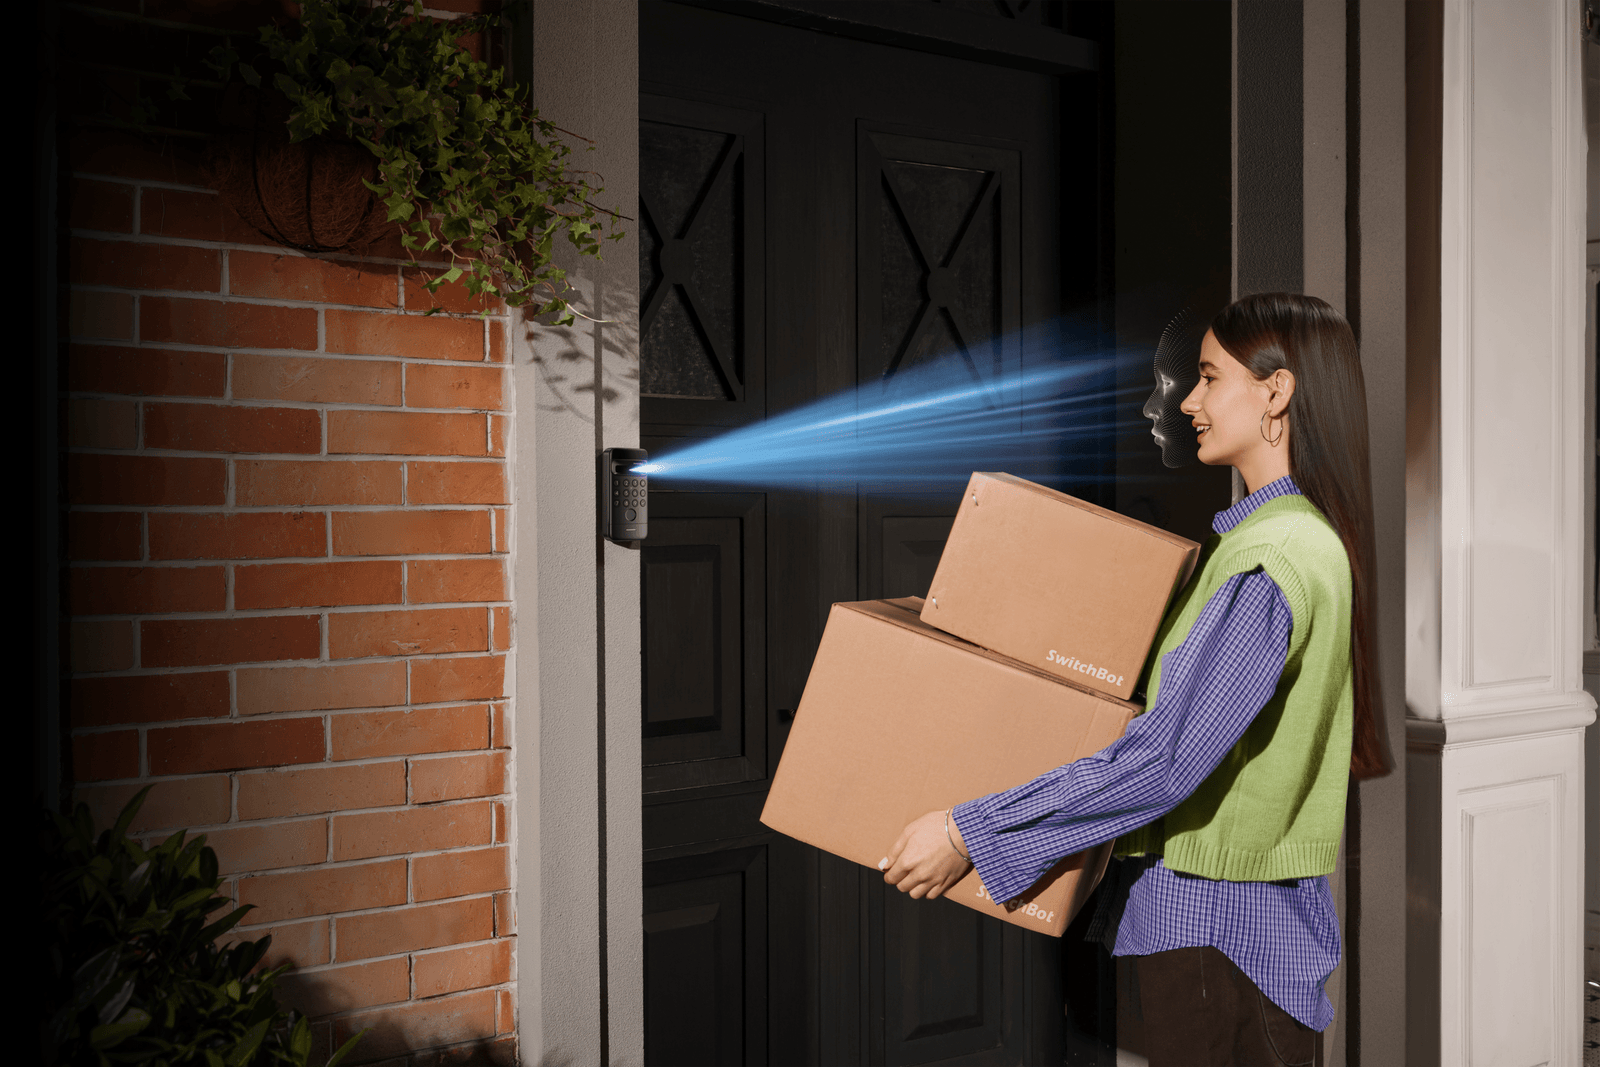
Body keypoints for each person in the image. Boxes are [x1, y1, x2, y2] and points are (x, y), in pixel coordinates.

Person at [880, 293, 1393, 1067]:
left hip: (1221, 936)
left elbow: (1163, 760)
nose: (1190, 400)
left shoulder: (1270, 558)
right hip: (1234, 935)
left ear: (1276, 392)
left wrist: (969, 834)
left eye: (1211, 377)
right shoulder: (1284, 540)